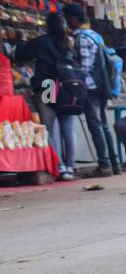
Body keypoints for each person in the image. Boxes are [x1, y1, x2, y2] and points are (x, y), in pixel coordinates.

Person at [13, 12, 81, 181]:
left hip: (48, 85)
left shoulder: (42, 42)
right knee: (68, 127)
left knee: (49, 127)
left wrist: (20, 41)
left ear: (47, 26)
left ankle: (60, 166)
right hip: (67, 86)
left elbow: (20, 56)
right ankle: (71, 166)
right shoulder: (69, 43)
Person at [62, 3, 118, 177]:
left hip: (90, 88)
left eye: (66, 19)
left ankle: (104, 165)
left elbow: (84, 68)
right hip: (101, 87)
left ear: (72, 19)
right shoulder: (94, 35)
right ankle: (113, 164)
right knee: (103, 126)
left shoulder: (81, 38)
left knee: (96, 126)